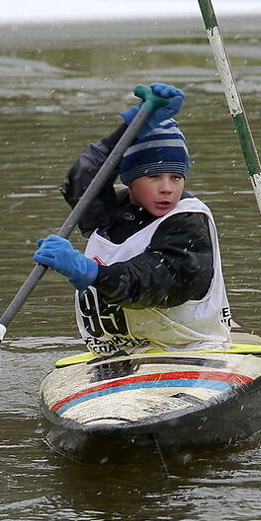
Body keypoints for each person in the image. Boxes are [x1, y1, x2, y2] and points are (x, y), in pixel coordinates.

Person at [33, 82, 233, 355]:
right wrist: (129, 131)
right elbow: (83, 179)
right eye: (153, 176)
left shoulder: (188, 222)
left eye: (176, 177)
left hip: (191, 351)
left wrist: (91, 272)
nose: (167, 188)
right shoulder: (108, 213)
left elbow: (156, 284)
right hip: (114, 356)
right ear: (128, 179)